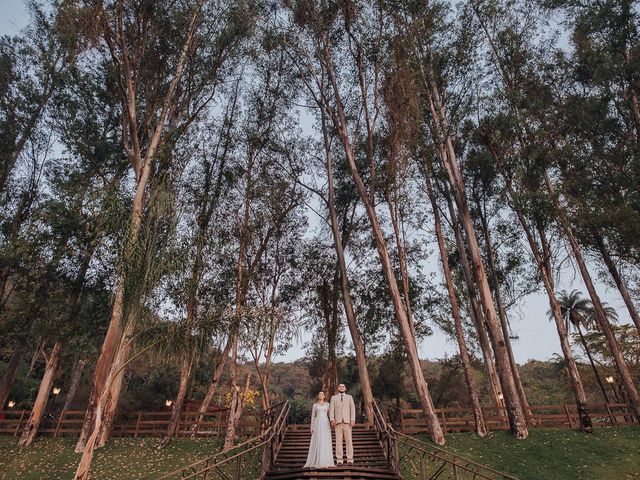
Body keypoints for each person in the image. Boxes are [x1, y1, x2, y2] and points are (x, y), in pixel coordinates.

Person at [304, 391, 335, 468]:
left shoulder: (327, 404)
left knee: (325, 440)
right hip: (317, 423)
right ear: (318, 396)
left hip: (325, 423)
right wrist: (312, 427)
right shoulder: (315, 405)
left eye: (322, 394)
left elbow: (330, 414)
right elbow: (313, 416)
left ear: (324, 396)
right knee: (318, 439)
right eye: (319, 394)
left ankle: (326, 461)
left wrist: (332, 421)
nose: (320, 395)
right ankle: (318, 461)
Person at [329, 383, 356, 465]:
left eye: (343, 386)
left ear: (345, 388)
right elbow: (331, 410)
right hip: (337, 423)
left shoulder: (349, 397)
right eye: (340, 386)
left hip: (347, 422)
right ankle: (339, 459)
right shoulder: (333, 398)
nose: (341, 387)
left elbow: (352, 409)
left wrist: (352, 419)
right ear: (338, 388)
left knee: (349, 441)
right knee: (338, 441)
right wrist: (332, 419)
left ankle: (350, 459)